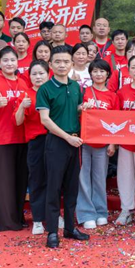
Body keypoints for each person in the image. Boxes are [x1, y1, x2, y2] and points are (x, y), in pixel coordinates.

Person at [37, 45, 90, 248]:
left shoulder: (76, 87)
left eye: (66, 61)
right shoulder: (45, 89)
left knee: (71, 187)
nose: (62, 65)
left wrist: (83, 108)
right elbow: (45, 119)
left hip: (75, 142)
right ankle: (52, 231)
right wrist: (67, 137)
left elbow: (74, 109)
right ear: (50, 64)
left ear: (72, 63)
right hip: (57, 142)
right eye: (57, 62)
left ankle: (69, 228)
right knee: (54, 187)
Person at [0, 46, 30, 232]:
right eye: (5, 60)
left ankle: (18, 217)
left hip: (22, 138)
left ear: (18, 62)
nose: (9, 63)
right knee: (4, 182)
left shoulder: (23, 82)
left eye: (13, 60)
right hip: (2, 138)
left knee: (20, 181)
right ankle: (6, 221)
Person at [76, 59, 118, 229]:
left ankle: (101, 212)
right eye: (95, 71)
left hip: (103, 143)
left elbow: (116, 121)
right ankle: (86, 214)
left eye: (102, 71)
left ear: (108, 74)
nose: (98, 74)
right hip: (84, 141)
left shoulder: (113, 96)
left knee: (100, 179)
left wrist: (112, 143)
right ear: (90, 74)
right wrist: (81, 108)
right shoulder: (83, 91)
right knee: (83, 178)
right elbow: (75, 111)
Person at [14, 60, 50, 235]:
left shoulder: (53, 91)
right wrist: (22, 106)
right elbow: (18, 121)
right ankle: (37, 219)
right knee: (37, 180)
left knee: (54, 180)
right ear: (29, 77)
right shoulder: (26, 95)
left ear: (48, 74)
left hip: (55, 140)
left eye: (41, 73)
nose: (38, 77)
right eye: (34, 74)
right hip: (36, 142)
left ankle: (53, 215)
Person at [114, 55, 135, 226]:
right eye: (133, 67)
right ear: (128, 70)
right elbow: (116, 116)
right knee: (125, 176)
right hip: (126, 141)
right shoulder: (122, 92)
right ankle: (126, 210)